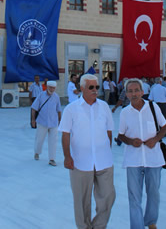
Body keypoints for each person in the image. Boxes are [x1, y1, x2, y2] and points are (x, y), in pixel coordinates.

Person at [59, 74, 116, 229]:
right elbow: (65, 134)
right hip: (80, 162)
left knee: (108, 196)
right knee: (81, 201)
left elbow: (109, 132)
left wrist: (105, 150)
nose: (95, 90)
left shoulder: (104, 107)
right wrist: (67, 156)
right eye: (91, 87)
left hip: (104, 161)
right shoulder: (71, 109)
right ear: (82, 88)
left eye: (96, 87)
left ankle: (98, 226)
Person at [118, 78, 166, 229]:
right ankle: (137, 226)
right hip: (133, 159)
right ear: (126, 94)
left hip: (153, 159)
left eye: (136, 90)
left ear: (142, 92)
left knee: (154, 194)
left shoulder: (153, 107)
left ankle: (151, 222)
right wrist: (131, 141)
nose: (134, 94)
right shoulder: (125, 113)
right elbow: (121, 135)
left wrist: (156, 139)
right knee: (134, 197)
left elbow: (164, 127)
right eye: (130, 91)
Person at [31, 81, 61, 166]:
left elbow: (59, 110)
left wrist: (60, 120)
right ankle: (37, 152)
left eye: (53, 88)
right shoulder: (41, 95)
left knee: (53, 141)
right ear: (47, 87)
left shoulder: (56, 97)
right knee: (39, 140)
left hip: (53, 123)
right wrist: (33, 120)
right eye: (50, 87)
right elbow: (34, 108)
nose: (52, 89)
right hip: (42, 122)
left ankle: (52, 159)